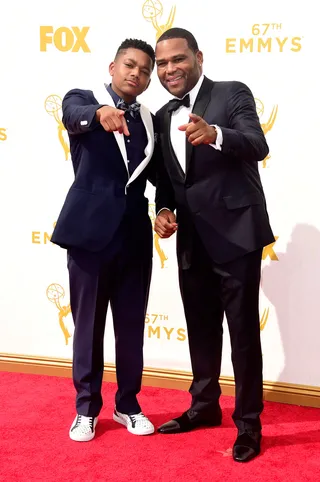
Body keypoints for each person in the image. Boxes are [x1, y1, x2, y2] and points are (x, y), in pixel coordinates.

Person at [153, 28, 275, 462]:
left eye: (178, 59)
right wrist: (163, 210)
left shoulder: (231, 93)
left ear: (198, 57)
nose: (170, 70)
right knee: (201, 329)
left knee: (243, 333)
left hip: (236, 234)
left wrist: (216, 134)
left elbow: (257, 145)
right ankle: (204, 406)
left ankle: (249, 424)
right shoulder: (163, 115)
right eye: (162, 63)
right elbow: (168, 181)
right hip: (192, 241)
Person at [51, 38, 160, 441]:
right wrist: (99, 113)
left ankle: (128, 404)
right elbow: (71, 114)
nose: (137, 73)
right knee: (88, 327)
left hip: (134, 236)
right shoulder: (84, 99)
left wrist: (166, 207)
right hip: (89, 235)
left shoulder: (151, 120)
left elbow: (160, 177)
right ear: (112, 66)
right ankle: (86, 408)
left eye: (145, 70)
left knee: (131, 327)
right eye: (130, 65)